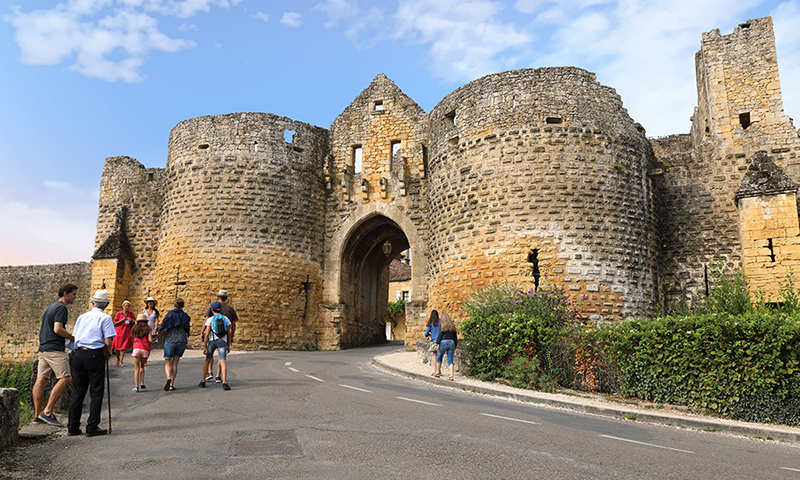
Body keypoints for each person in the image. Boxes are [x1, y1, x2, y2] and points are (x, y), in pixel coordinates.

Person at [67, 290, 116, 437]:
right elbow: (108, 341)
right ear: (106, 304)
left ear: (92, 302)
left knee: (78, 392)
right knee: (96, 391)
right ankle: (92, 425)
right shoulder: (105, 318)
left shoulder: (82, 317)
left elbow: (74, 337)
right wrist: (108, 352)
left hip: (79, 354)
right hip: (95, 355)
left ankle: (73, 426)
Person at [33, 283, 78, 426]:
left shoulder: (50, 308)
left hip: (44, 348)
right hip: (55, 349)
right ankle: (47, 412)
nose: (75, 297)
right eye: (74, 294)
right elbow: (58, 329)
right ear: (65, 293)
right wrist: (71, 337)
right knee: (66, 378)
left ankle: (37, 415)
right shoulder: (61, 308)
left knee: (41, 379)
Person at [202, 290, 238, 383]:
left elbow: (206, 323)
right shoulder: (230, 309)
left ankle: (207, 375)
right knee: (222, 359)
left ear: (218, 297)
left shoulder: (211, 309)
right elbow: (233, 325)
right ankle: (221, 378)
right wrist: (231, 339)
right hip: (223, 339)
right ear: (226, 298)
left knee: (208, 358)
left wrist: (203, 335)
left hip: (212, 339)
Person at [156, 298, 191, 391]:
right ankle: (171, 384)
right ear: (183, 306)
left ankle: (168, 377)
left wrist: (158, 332)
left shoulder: (170, 314)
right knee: (175, 362)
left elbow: (164, 325)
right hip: (181, 339)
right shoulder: (185, 316)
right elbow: (187, 328)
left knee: (167, 362)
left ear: (174, 305)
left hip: (170, 339)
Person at [198, 301, 232, 390]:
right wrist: (228, 345)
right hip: (222, 342)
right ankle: (224, 382)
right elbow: (229, 333)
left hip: (212, 341)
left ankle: (203, 381)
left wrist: (205, 346)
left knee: (207, 360)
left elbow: (206, 334)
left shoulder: (210, 319)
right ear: (220, 309)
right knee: (222, 361)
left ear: (212, 309)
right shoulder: (226, 318)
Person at [131, 313, 156, 392]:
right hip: (145, 349)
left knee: (136, 369)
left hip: (136, 348)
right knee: (142, 367)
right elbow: (150, 340)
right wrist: (155, 337)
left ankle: (136, 387)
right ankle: (142, 382)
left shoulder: (134, 328)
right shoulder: (148, 328)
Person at [435, 312, 457, 381]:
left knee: (439, 356)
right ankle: (451, 376)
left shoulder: (442, 325)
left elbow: (440, 335)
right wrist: (455, 344)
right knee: (450, 359)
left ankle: (437, 372)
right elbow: (455, 336)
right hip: (451, 342)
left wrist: (436, 343)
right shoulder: (452, 325)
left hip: (443, 342)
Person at [112, 300, 135, 367]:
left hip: (126, 332)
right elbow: (115, 323)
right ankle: (117, 359)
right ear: (123, 306)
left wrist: (132, 320)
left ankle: (121, 361)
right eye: (126, 306)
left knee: (124, 347)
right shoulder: (118, 314)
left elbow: (135, 321)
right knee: (117, 347)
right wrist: (121, 320)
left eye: (128, 306)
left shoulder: (131, 314)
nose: (127, 307)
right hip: (118, 332)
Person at [424, 310, 441, 377]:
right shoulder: (440, 322)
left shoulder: (431, 323)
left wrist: (430, 334)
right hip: (440, 341)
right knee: (440, 356)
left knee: (435, 356)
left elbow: (426, 334)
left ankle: (435, 371)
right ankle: (439, 371)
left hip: (434, 341)